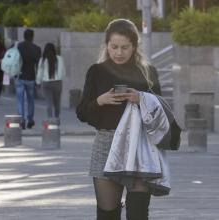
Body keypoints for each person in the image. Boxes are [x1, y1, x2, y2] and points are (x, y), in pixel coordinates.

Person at [76, 19, 162, 220]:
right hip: (106, 145)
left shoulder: (147, 71)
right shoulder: (96, 71)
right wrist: (100, 100)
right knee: (107, 214)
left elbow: (162, 111)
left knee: (138, 214)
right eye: (114, 47)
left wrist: (142, 99)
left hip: (140, 146)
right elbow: (81, 113)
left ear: (134, 46)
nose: (119, 52)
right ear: (106, 45)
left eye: (125, 47)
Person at [17, 29, 41, 129]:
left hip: (20, 76)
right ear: (32, 36)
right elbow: (38, 65)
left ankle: (21, 120)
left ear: (24, 36)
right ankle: (30, 120)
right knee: (31, 100)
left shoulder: (19, 46)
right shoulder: (36, 48)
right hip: (31, 77)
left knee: (20, 100)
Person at [36, 43, 65, 119]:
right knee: (57, 103)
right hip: (57, 83)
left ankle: (50, 120)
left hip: (46, 83)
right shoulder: (59, 59)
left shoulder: (42, 60)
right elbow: (63, 72)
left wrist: (38, 82)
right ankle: (56, 118)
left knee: (49, 103)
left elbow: (39, 73)